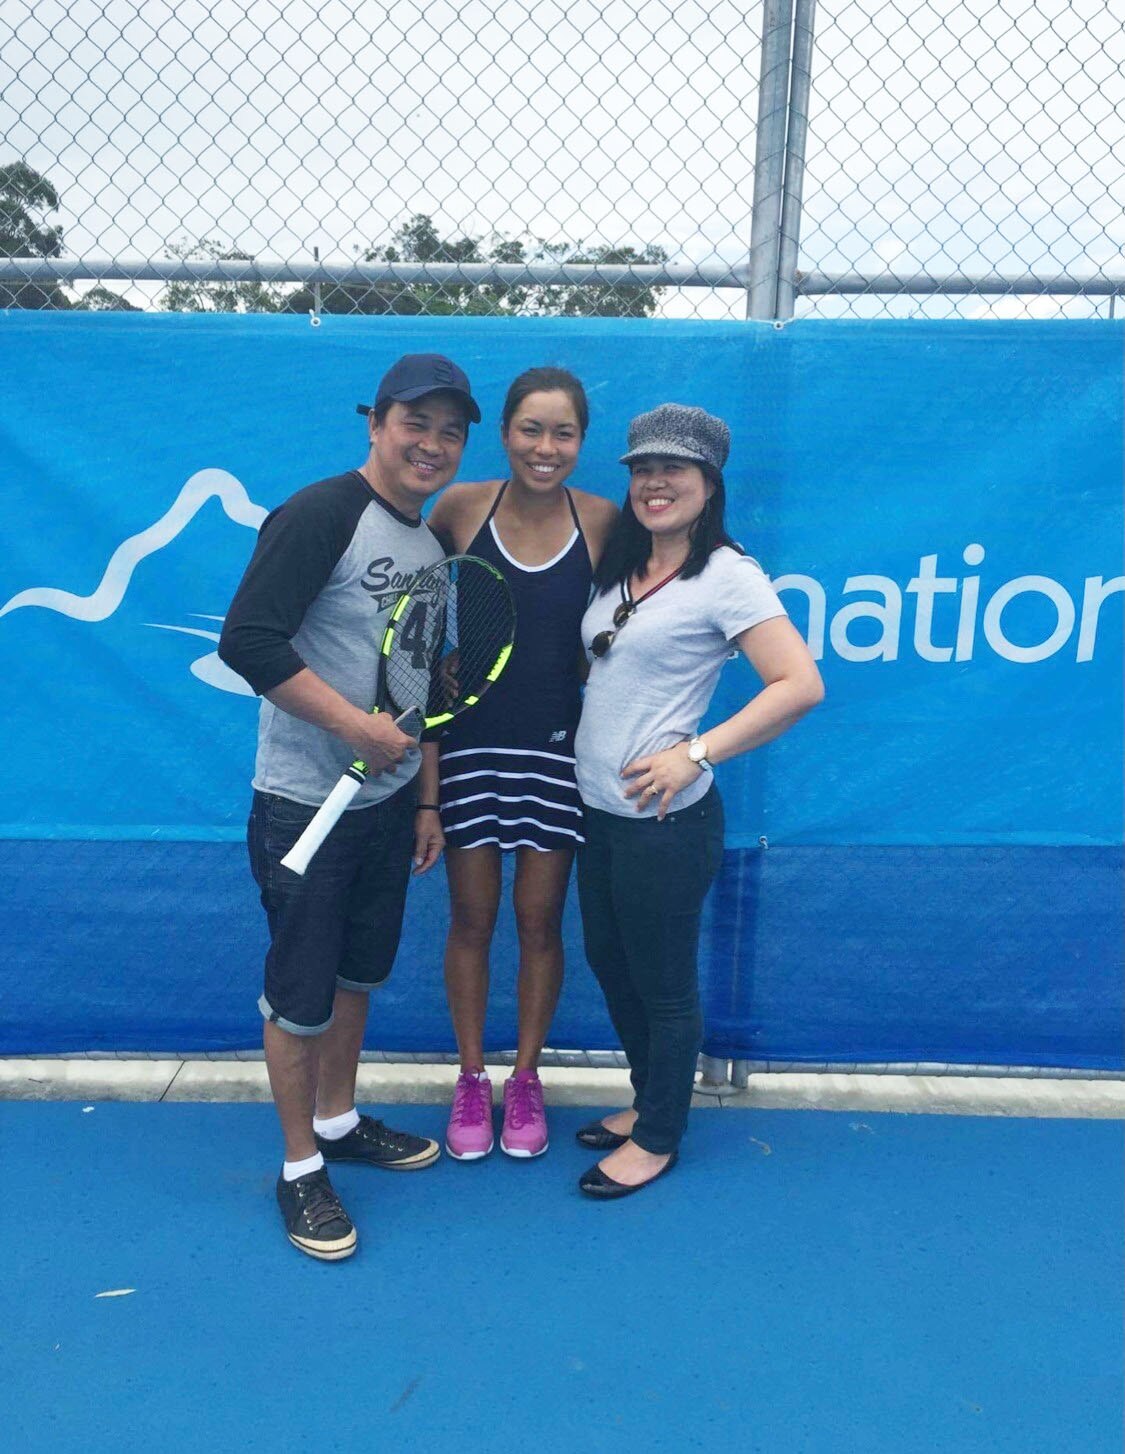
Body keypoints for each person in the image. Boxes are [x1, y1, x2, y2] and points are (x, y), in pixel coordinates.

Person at [218, 353, 481, 1260]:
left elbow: (427, 681)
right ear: (375, 423)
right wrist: (353, 729)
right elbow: (246, 639)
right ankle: (300, 1169)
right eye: (416, 423)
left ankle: (337, 1120)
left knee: (356, 976)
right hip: (304, 808)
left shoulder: (432, 545)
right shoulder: (320, 514)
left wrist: (424, 801)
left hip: (388, 810)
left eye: (450, 431)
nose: (432, 444)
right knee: (298, 992)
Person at [573, 403, 824, 1199]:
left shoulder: (727, 575)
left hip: (664, 826)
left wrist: (694, 752)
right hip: (600, 814)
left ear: (708, 485)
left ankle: (658, 1137)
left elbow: (800, 684)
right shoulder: (624, 564)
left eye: (673, 470)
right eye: (643, 468)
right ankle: (651, 1098)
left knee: (662, 982)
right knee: (612, 964)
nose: (654, 483)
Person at [426, 367, 617, 1160]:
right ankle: (472, 1080)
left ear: (580, 441)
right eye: (530, 430)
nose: (545, 448)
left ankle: (526, 1078)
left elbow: (616, 635)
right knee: (471, 921)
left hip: (556, 758)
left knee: (538, 923)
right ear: (503, 434)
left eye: (562, 432)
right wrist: (426, 793)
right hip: (469, 752)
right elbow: (423, 633)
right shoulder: (460, 509)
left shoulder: (603, 520)